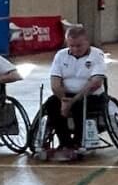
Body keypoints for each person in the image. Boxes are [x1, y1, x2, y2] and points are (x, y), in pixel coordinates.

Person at [44, 24, 107, 159]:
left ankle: (78, 142)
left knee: (79, 105)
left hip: (90, 95)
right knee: (51, 104)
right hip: (66, 95)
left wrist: (72, 101)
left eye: (79, 46)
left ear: (87, 42)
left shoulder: (97, 54)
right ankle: (65, 143)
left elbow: (96, 83)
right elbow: (55, 82)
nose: (75, 49)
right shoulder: (61, 55)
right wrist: (63, 100)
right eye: (71, 46)